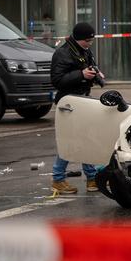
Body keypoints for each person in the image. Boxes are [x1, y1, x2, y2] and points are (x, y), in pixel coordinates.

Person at [50, 23, 104, 195]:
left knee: (84, 139)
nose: (90, 43)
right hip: (68, 103)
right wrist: (81, 75)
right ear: (78, 39)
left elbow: (88, 67)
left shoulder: (83, 50)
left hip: (81, 100)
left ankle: (91, 178)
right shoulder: (62, 53)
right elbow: (57, 80)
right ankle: (59, 179)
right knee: (71, 140)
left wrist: (96, 75)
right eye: (87, 40)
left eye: (91, 40)